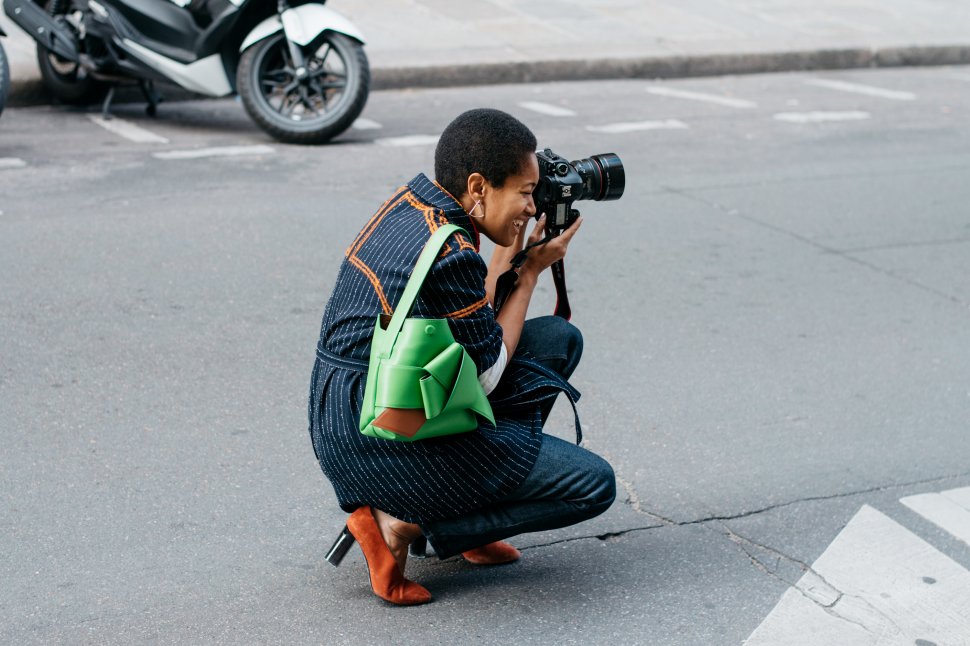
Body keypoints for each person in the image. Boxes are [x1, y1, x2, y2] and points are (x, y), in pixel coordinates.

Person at [308, 108, 615, 606]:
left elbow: (470, 316)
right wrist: (531, 272)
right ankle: (399, 522)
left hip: (349, 407)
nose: (531, 205)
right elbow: (487, 374)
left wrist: (508, 253)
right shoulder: (451, 253)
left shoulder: (416, 207)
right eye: (523, 191)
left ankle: (460, 512)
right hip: (384, 433)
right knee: (593, 485)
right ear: (478, 187)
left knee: (558, 339)